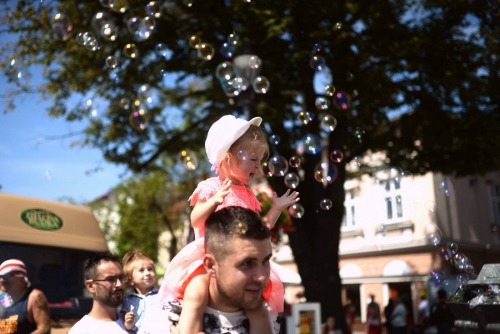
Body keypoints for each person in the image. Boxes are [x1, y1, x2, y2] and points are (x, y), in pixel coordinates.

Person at [158, 115, 299, 334]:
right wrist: (213, 201)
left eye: (260, 160)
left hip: (242, 258)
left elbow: (260, 229)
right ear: (227, 158)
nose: (257, 166)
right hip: (212, 254)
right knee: (197, 289)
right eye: (252, 159)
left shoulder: (249, 195)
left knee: (259, 304)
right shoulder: (211, 187)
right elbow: (195, 219)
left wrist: (276, 209)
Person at [138, 206, 281, 334]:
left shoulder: (267, 320)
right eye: (247, 263)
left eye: (265, 261)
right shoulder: (163, 323)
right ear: (211, 265)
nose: (262, 276)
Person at [69, 251, 133, 334]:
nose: (119, 284)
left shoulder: (132, 318)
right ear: (91, 286)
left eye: (121, 278)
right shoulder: (81, 330)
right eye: (110, 279)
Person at [0, 259, 51, 333]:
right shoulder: (2, 295)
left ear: (21, 278)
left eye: (6, 276)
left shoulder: (34, 297)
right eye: (0, 276)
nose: (1, 280)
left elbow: (44, 329)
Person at [121, 250, 158, 333]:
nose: (147, 273)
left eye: (150, 269)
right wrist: (128, 322)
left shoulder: (161, 296)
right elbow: (128, 327)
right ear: (131, 280)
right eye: (141, 270)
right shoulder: (127, 299)